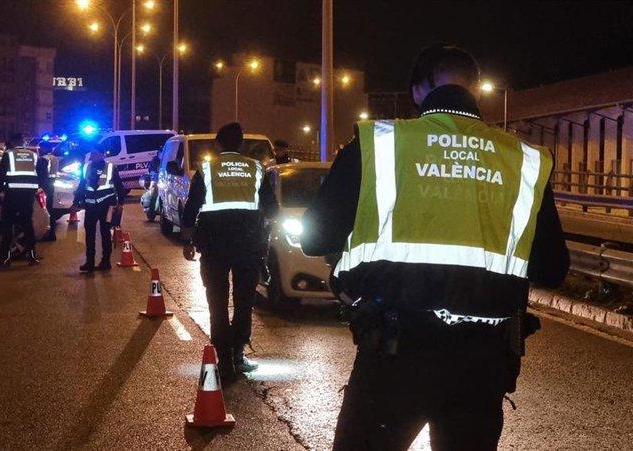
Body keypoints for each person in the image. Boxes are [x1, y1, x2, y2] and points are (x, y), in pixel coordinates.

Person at [301, 44, 570, 450]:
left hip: (393, 355)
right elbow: (552, 267)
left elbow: (314, 238)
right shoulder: (524, 159)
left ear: (417, 91)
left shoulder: (379, 144)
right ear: (476, 90)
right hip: (483, 363)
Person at [181, 123, 278, 381]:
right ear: (241, 144)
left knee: (217, 302)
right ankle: (237, 354)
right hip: (248, 246)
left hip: (214, 246)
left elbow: (191, 208)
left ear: (219, 144)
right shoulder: (256, 169)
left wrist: (188, 240)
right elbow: (273, 210)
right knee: (244, 302)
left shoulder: (207, 170)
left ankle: (223, 361)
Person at [0, 134, 47, 267]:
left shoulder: (8, 154)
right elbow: (42, 174)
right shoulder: (33, 155)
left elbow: (0, 176)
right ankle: (32, 257)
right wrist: (37, 188)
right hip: (27, 196)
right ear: (23, 142)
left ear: (12, 141)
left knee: (7, 226)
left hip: (12, 195)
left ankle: (6, 259)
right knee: (27, 226)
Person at [72, 147, 125, 272]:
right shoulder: (86, 167)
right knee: (89, 235)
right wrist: (75, 203)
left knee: (105, 234)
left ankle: (105, 262)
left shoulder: (111, 167)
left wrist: (120, 204)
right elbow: (81, 186)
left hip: (106, 206)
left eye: (96, 154)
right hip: (90, 206)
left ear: (102, 155)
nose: (93, 156)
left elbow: (119, 186)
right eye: (92, 154)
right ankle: (89, 263)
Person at [38, 141, 59, 242]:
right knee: (50, 210)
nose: (39, 150)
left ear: (45, 148)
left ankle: (49, 233)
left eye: (40, 148)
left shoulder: (44, 159)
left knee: (46, 211)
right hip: (51, 185)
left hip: (44, 186)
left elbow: (40, 174)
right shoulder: (54, 158)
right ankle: (51, 233)